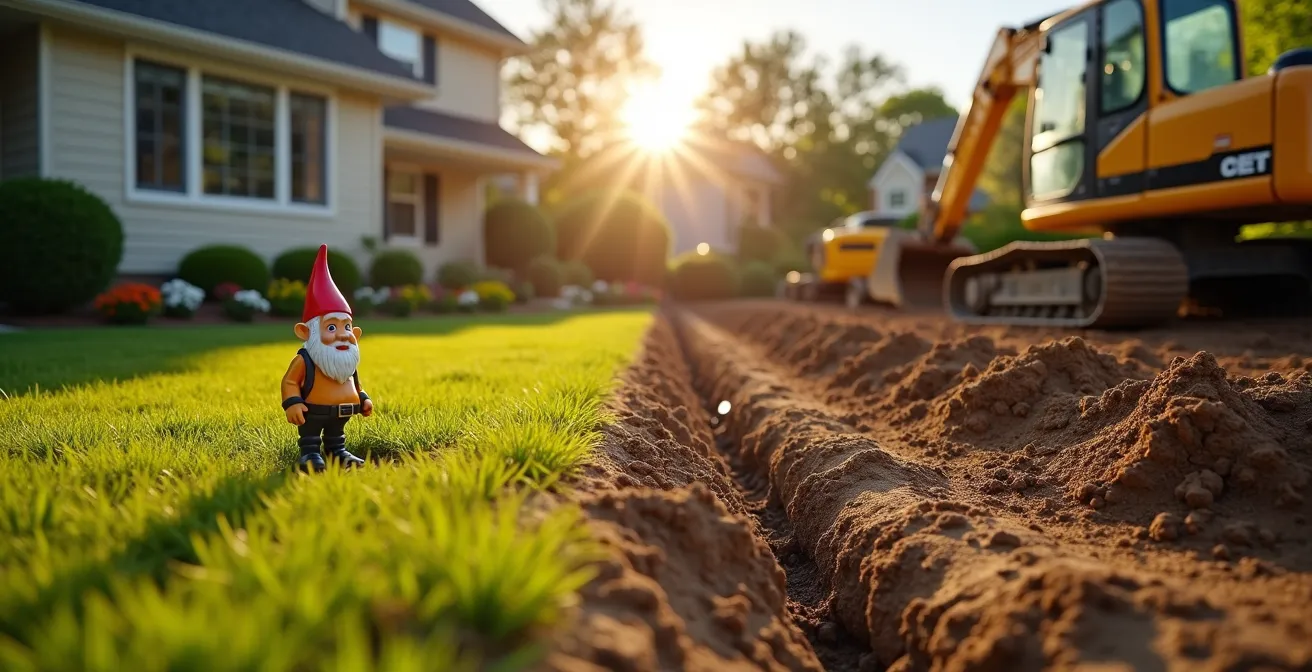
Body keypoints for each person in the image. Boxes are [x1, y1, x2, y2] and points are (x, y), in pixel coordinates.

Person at [279, 245, 373, 472]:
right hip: (312, 411)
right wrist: (293, 403)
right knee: (311, 437)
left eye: (347, 327)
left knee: (336, 435)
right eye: (331, 327)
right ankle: (310, 454)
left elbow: (354, 382)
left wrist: (363, 399)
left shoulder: (346, 361)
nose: (343, 334)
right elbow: (290, 382)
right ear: (305, 332)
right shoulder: (306, 360)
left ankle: (337, 451)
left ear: (356, 333)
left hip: (342, 412)